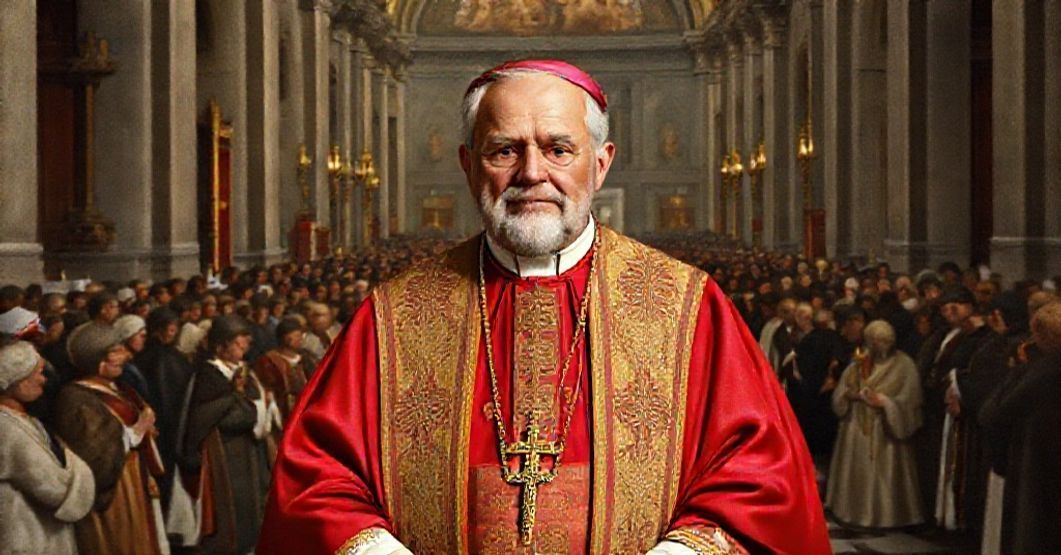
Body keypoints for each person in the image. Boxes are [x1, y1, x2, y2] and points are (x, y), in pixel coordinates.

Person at [259, 59, 829, 554]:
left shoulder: (688, 305)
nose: (532, 173)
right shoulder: (392, 315)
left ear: (600, 164)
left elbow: (760, 478)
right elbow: (317, 479)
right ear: (467, 163)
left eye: (558, 149)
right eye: (504, 150)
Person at [54, 322, 169, 555]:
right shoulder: (74, 398)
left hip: (135, 480)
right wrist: (137, 430)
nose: (125, 356)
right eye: (116, 351)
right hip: (117, 490)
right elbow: (94, 452)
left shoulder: (116, 387)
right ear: (97, 360)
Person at [176, 315, 275, 553]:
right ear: (221, 347)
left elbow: (253, 404)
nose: (244, 349)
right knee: (231, 507)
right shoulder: (209, 375)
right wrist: (245, 406)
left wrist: (255, 405)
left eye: (246, 345)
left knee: (253, 502)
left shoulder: (243, 372)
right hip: (224, 454)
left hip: (249, 449)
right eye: (238, 345)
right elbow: (221, 418)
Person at [979, 301, 1061, 553]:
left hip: (1038, 468)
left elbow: (995, 416)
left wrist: (1000, 460)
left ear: (1038, 335)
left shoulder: (1037, 372)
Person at [0, 340, 95, 554]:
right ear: (19, 380)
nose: (43, 380)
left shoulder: (21, 420)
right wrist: (78, 468)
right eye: (38, 373)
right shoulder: (8, 429)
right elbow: (58, 490)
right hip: (25, 535)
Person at [826, 320, 924, 528]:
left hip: (886, 432)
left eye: (886, 341)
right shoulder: (859, 363)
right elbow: (842, 391)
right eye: (877, 341)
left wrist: (885, 402)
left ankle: (890, 515)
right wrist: (849, 395)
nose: (882, 346)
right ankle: (853, 512)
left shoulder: (904, 365)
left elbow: (911, 399)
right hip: (856, 428)